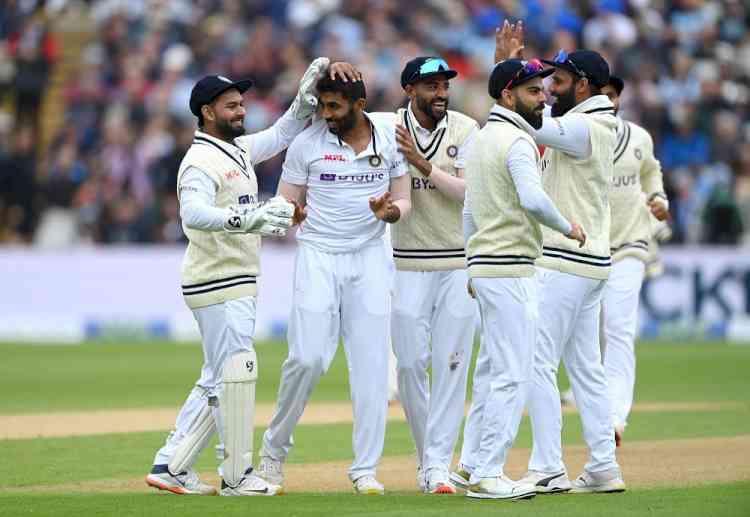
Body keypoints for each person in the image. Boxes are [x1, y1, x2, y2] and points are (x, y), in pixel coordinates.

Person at [145, 58, 357, 497]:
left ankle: (171, 464)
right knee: (237, 370)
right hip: (215, 278)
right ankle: (237, 475)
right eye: (231, 105)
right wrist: (252, 217)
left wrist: (303, 101)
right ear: (207, 111)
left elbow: (280, 135)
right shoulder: (200, 160)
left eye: (241, 103)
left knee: (217, 377)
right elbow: (193, 214)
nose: (241, 111)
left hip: (233, 277)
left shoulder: (236, 150)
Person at [256, 71, 411, 495]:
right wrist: (291, 214)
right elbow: (286, 201)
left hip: (370, 257)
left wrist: (389, 214)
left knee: (373, 369)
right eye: (322, 105)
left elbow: (403, 201)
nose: (325, 114)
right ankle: (272, 456)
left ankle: (365, 469)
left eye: (334, 107)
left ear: (358, 105)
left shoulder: (388, 134)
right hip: (319, 255)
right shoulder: (307, 143)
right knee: (306, 359)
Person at [492, 22, 625, 494]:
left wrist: (504, 71)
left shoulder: (589, 124)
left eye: (559, 82)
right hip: (589, 262)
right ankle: (604, 465)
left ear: (584, 85)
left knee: (536, 361)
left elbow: (528, 119)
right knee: (585, 366)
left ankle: (548, 465)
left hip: (566, 261)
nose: (548, 91)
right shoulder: (597, 121)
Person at [452, 58, 585, 500]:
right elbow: (533, 197)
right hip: (510, 267)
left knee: (492, 370)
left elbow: (470, 210)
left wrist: (471, 263)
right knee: (513, 372)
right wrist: (568, 226)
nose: (543, 96)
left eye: (543, 89)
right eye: (532, 90)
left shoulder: (482, 139)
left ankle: (471, 465)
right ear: (508, 96)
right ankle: (489, 473)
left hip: (488, 267)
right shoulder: (517, 141)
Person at [380, 56, 480, 494]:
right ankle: (428, 458)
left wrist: (422, 165)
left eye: (444, 86)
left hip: (457, 263)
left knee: (452, 365)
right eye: (431, 87)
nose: (441, 93)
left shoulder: (465, 129)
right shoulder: (387, 129)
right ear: (410, 90)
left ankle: (438, 465)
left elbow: (467, 192)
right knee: (410, 365)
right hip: (408, 263)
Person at [599, 75, 669, 445]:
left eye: (612, 96)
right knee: (589, 336)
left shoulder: (639, 138)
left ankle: (614, 418)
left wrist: (659, 199)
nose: (607, 102)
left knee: (619, 330)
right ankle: (595, 403)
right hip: (585, 248)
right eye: (601, 95)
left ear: (619, 98)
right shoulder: (575, 137)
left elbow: (651, 173)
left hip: (630, 244)